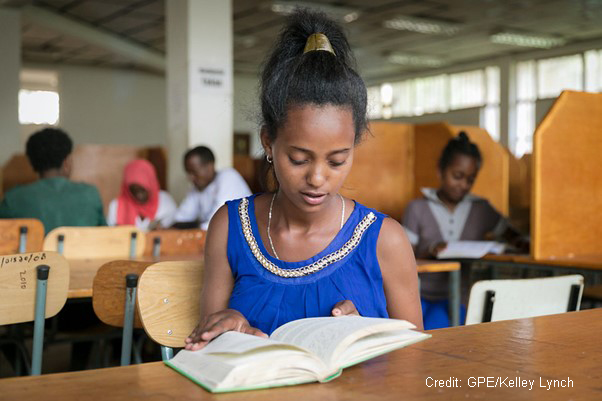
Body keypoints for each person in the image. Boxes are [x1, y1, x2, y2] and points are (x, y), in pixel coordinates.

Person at [184, 10, 422, 351]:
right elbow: (207, 346)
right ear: (268, 142)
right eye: (299, 159)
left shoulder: (386, 240)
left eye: (338, 160)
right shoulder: (230, 227)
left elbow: (415, 361)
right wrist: (228, 328)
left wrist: (368, 335)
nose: (318, 178)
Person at [402, 132, 527, 329]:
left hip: (458, 297)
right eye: (457, 176)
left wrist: (519, 243)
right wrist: (431, 250)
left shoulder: (481, 208)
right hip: (417, 295)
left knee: (437, 330)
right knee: (410, 330)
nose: (463, 185)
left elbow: (511, 234)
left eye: (470, 179)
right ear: (440, 171)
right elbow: (402, 260)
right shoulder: (417, 208)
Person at [0, 127, 106, 233]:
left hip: (35, 250)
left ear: (32, 164)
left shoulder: (13, 199)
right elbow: (106, 236)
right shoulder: (90, 194)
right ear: (66, 163)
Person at [173, 146, 252, 230]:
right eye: (188, 173)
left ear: (209, 167)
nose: (190, 177)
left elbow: (214, 223)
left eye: (194, 172)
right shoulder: (198, 188)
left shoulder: (228, 176)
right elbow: (180, 218)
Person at [106, 159, 177, 230]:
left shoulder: (165, 203)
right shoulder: (116, 206)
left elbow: (175, 231)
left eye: (143, 190)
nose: (138, 195)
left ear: (151, 185)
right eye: (133, 190)